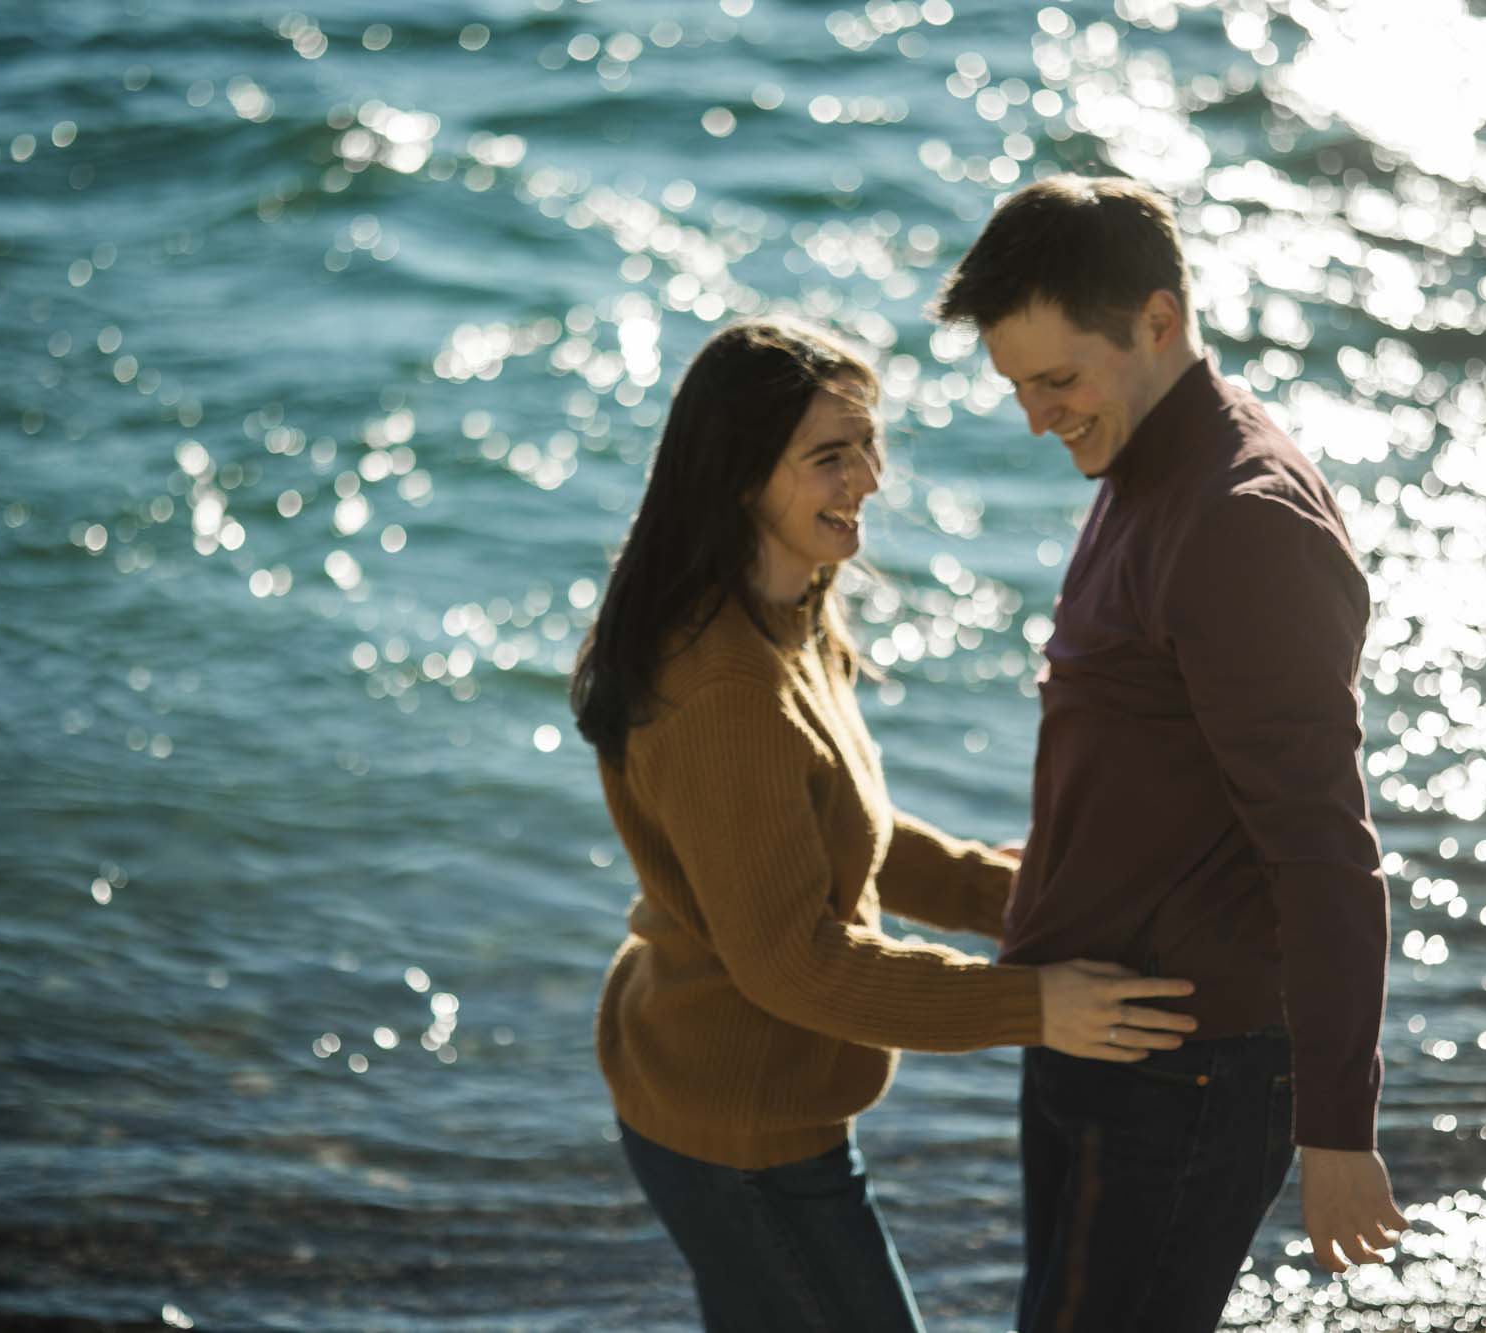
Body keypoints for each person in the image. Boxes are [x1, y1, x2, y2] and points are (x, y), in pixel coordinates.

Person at [570, 316, 1200, 1333]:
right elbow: (796, 965)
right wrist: (1032, 1005)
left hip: (754, 1098)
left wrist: (1002, 898)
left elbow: (829, 827)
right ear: (740, 475)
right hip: (737, 1127)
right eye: (828, 457)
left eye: (867, 444)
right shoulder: (723, 690)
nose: (866, 477)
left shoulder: (786, 607)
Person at [931, 174, 1407, 1332]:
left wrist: (1336, 1130)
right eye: (1016, 388)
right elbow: (1152, 752)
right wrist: (1052, 871)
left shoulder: (1238, 517)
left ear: (1156, 322)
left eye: (1056, 380)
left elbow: (1323, 848)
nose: (1038, 418)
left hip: (1181, 1070)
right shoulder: (1137, 463)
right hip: (1090, 1039)